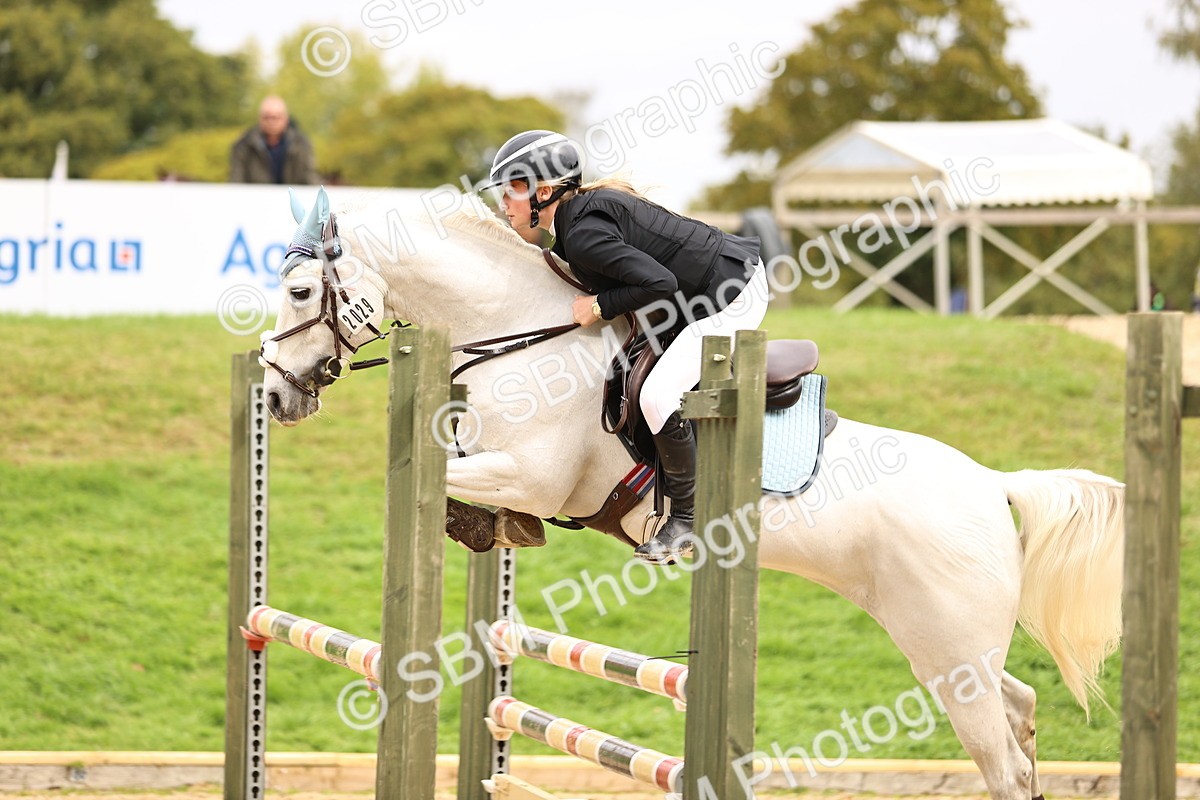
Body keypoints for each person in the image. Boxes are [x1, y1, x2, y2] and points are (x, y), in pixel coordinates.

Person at [482, 130, 769, 564]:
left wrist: (600, 304)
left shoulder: (581, 234)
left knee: (657, 395)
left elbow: (659, 283)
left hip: (731, 292)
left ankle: (687, 521)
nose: (504, 200)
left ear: (544, 192)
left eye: (513, 189)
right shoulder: (575, 222)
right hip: (699, 290)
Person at [229, 96, 319, 185]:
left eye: (276, 117)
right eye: (267, 117)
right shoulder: (244, 145)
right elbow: (236, 180)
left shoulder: (301, 144)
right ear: (260, 118)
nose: (271, 121)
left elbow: (309, 176)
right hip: (256, 197)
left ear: (286, 118)